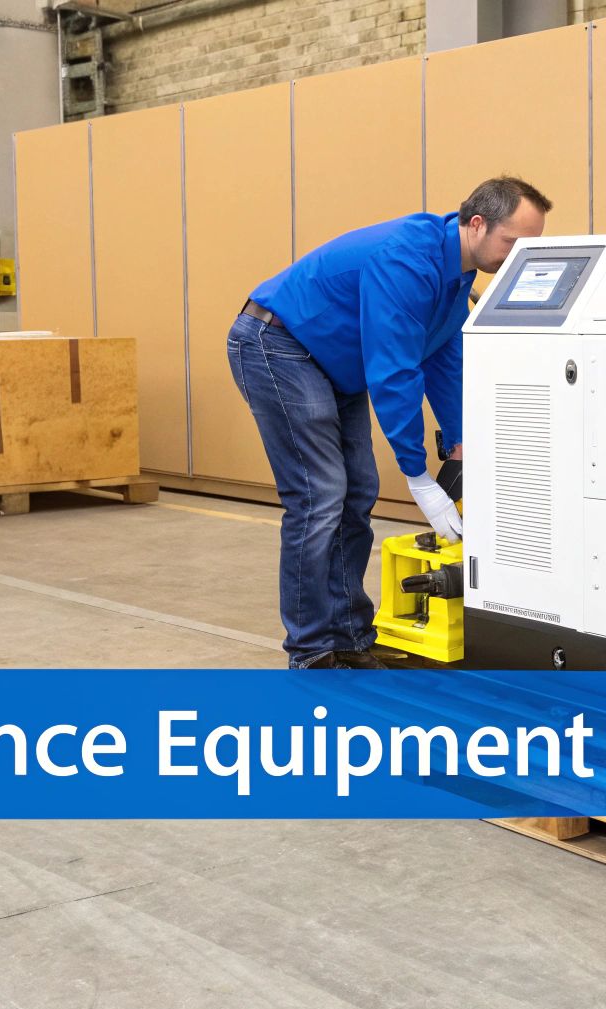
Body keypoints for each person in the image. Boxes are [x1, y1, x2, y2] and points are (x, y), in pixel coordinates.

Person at [228, 177, 551, 669]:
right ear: (479, 225)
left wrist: (460, 438)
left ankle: (350, 636)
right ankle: (312, 647)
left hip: (332, 361)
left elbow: (442, 354)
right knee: (319, 497)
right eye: (515, 242)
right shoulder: (406, 260)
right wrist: (418, 476)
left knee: (357, 493)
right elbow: (395, 369)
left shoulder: (456, 271)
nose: (521, 256)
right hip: (279, 344)